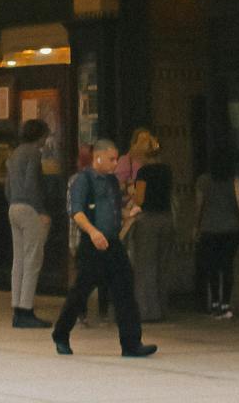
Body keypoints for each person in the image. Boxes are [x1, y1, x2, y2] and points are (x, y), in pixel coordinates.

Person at [52, 138, 158, 360]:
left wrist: (129, 214)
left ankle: (131, 343)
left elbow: (114, 209)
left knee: (125, 289)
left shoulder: (111, 182)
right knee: (81, 291)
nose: (115, 163)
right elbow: (77, 211)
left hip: (113, 243)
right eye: (111, 158)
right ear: (97, 157)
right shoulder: (83, 180)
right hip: (93, 244)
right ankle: (61, 333)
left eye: (116, 158)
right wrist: (92, 232)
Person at [4, 117, 53, 328]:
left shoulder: (14, 153)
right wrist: (41, 210)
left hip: (13, 206)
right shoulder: (34, 153)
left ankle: (17, 307)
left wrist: (13, 201)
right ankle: (26, 309)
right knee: (33, 259)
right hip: (29, 208)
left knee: (19, 261)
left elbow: (8, 186)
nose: (46, 139)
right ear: (39, 136)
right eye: (45, 135)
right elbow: (33, 183)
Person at [194, 147, 239, 318]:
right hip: (231, 228)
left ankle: (215, 302)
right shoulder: (234, 180)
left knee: (213, 267)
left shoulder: (204, 180)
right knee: (227, 266)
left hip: (209, 228)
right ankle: (226, 304)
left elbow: (199, 205)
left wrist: (196, 225)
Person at [127, 134, 173, 324]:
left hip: (148, 220)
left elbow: (139, 199)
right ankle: (162, 308)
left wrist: (131, 191)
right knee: (162, 266)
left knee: (145, 267)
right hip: (166, 218)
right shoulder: (167, 170)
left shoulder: (144, 173)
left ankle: (147, 311)